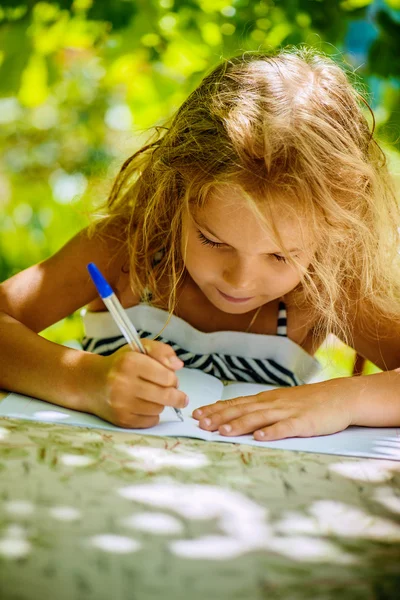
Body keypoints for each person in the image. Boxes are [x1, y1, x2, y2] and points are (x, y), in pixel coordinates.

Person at [1, 46, 400, 441]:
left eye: (281, 255)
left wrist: (340, 400)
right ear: (177, 195)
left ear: (333, 232)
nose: (240, 281)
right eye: (213, 240)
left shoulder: (323, 288)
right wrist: (86, 382)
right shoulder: (128, 251)